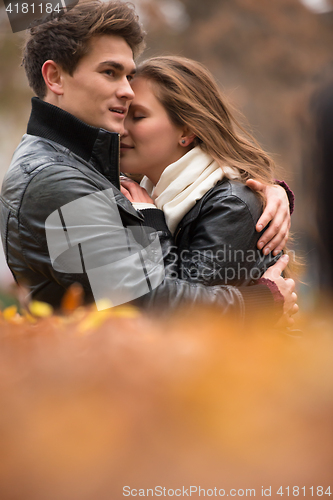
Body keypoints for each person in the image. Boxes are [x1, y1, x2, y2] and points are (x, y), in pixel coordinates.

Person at [0, 1, 296, 323]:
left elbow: (207, 185)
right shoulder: (57, 180)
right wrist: (262, 302)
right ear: (55, 77)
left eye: (128, 75)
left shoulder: (82, 164)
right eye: (110, 72)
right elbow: (148, 302)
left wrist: (264, 190)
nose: (127, 91)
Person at [119, 56, 295, 288]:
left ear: (187, 130)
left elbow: (184, 313)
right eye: (121, 114)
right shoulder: (139, 192)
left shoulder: (230, 206)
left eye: (138, 116)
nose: (120, 129)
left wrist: (151, 225)